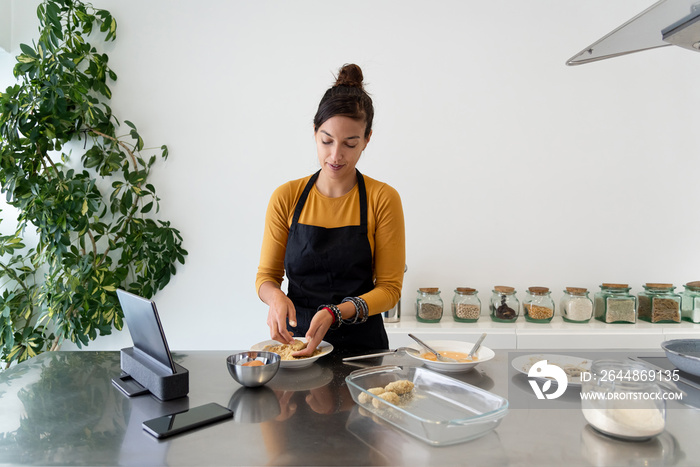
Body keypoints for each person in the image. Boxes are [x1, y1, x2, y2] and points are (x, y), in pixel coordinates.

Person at [255, 63, 405, 356]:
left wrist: (336, 312)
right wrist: (274, 297)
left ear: (367, 140)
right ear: (314, 132)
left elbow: (389, 290)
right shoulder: (287, 197)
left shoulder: (382, 198)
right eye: (327, 141)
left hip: (364, 351)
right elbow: (266, 277)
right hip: (299, 347)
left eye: (350, 144)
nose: (335, 155)